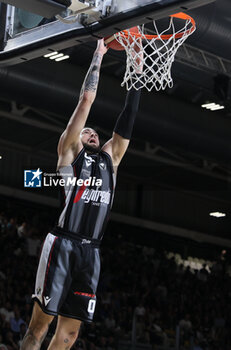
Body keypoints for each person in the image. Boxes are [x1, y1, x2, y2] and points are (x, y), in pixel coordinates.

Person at [20, 38, 143, 350]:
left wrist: (137, 68)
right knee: (40, 325)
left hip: (92, 252)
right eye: (87, 131)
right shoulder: (69, 152)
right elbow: (86, 101)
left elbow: (129, 116)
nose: (92, 132)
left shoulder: (110, 159)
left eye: (95, 132)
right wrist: (99, 55)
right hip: (63, 241)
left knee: (70, 334)